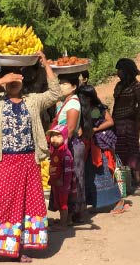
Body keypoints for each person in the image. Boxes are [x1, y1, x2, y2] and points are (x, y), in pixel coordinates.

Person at [0, 54, 60, 265]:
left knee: (26, 206)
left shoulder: (33, 101)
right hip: (5, 161)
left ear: (22, 81)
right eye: (9, 81)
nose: (12, 84)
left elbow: (55, 92)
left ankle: (16, 249)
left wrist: (45, 64)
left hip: (28, 162)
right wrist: (0, 81)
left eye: (16, 80)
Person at [79, 85, 125, 214]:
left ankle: (118, 202)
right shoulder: (83, 109)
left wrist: (95, 129)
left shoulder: (98, 109)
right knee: (90, 175)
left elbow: (110, 121)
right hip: (89, 146)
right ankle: (97, 202)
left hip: (100, 146)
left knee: (104, 173)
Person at [50, 73, 87, 223]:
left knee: (68, 181)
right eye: (60, 83)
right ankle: (69, 215)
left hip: (68, 146)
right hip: (62, 144)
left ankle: (69, 216)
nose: (61, 86)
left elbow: (70, 129)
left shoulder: (73, 103)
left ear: (74, 87)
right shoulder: (63, 102)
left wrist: (60, 148)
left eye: (65, 84)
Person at [112, 58, 140, 189]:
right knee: (120, 150)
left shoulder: (137, 86)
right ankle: (123, 179)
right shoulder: (119, 86)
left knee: (132, 148)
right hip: (118, 122)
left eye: (120, 70)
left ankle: (136, 176)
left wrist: (137, 120)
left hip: (130, 122)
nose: (118, 73)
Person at [47, 124, 74, 230]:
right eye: (52, 136)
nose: (54, 139)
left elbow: (68, 172)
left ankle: (63, 224)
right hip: (55, 182)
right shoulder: (54, 151)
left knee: (63, 204)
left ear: (65, 137)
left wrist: (64, 184)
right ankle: (63, 220)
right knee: (58, 203)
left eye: (58, 136)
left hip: (62, 184)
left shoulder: (65, 153)